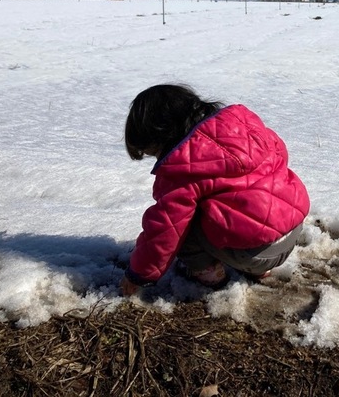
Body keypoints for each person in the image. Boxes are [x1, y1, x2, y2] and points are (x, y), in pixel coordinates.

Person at [120, 84, 310, 295]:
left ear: (164, 134)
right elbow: (281, 154)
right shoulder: (243, 124)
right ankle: (258, 270)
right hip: (291, 232)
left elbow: (165, 230)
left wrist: (138, 274)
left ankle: (211, 275)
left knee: (183, 227)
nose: (158, 158)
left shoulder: (181, 166)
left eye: (154, 152)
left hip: (254, 253)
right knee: (232, 205)